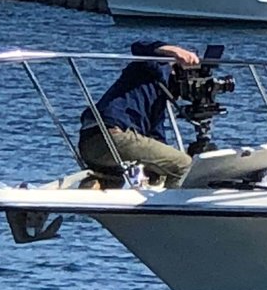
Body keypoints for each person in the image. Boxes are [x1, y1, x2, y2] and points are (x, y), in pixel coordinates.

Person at [78, 40, 200, 188]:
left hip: (89, 142)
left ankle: (95, 188)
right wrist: (174, 51)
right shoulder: (155, 68)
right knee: (183, 164)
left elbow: (156, 136)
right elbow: (139, 47)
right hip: (113, 136)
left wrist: (156, 171)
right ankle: (170, 207)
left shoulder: (154, 94)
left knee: (116, 179)